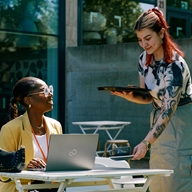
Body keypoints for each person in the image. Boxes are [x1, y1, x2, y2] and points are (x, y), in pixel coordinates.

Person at [111, 7, 192, 192]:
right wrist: (128, 96)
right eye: (140, 40)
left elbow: (167, 109)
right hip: (158, 123)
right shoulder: (143, 59)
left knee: (178, 179)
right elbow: (148, 97)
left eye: (148, 38)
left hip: (181, 124)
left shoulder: (175, 66)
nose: (144, 44)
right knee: (159, 181)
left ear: (162, 33)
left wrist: (146, 142)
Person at [0, 76, 63, 192]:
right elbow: (3, 170)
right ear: (28, 100)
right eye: (44, 91)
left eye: (50, 90)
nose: (50, 94)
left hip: (53, 187)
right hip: (22, 189)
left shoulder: (56, 125)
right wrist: (26, 167)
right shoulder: (10, 129)